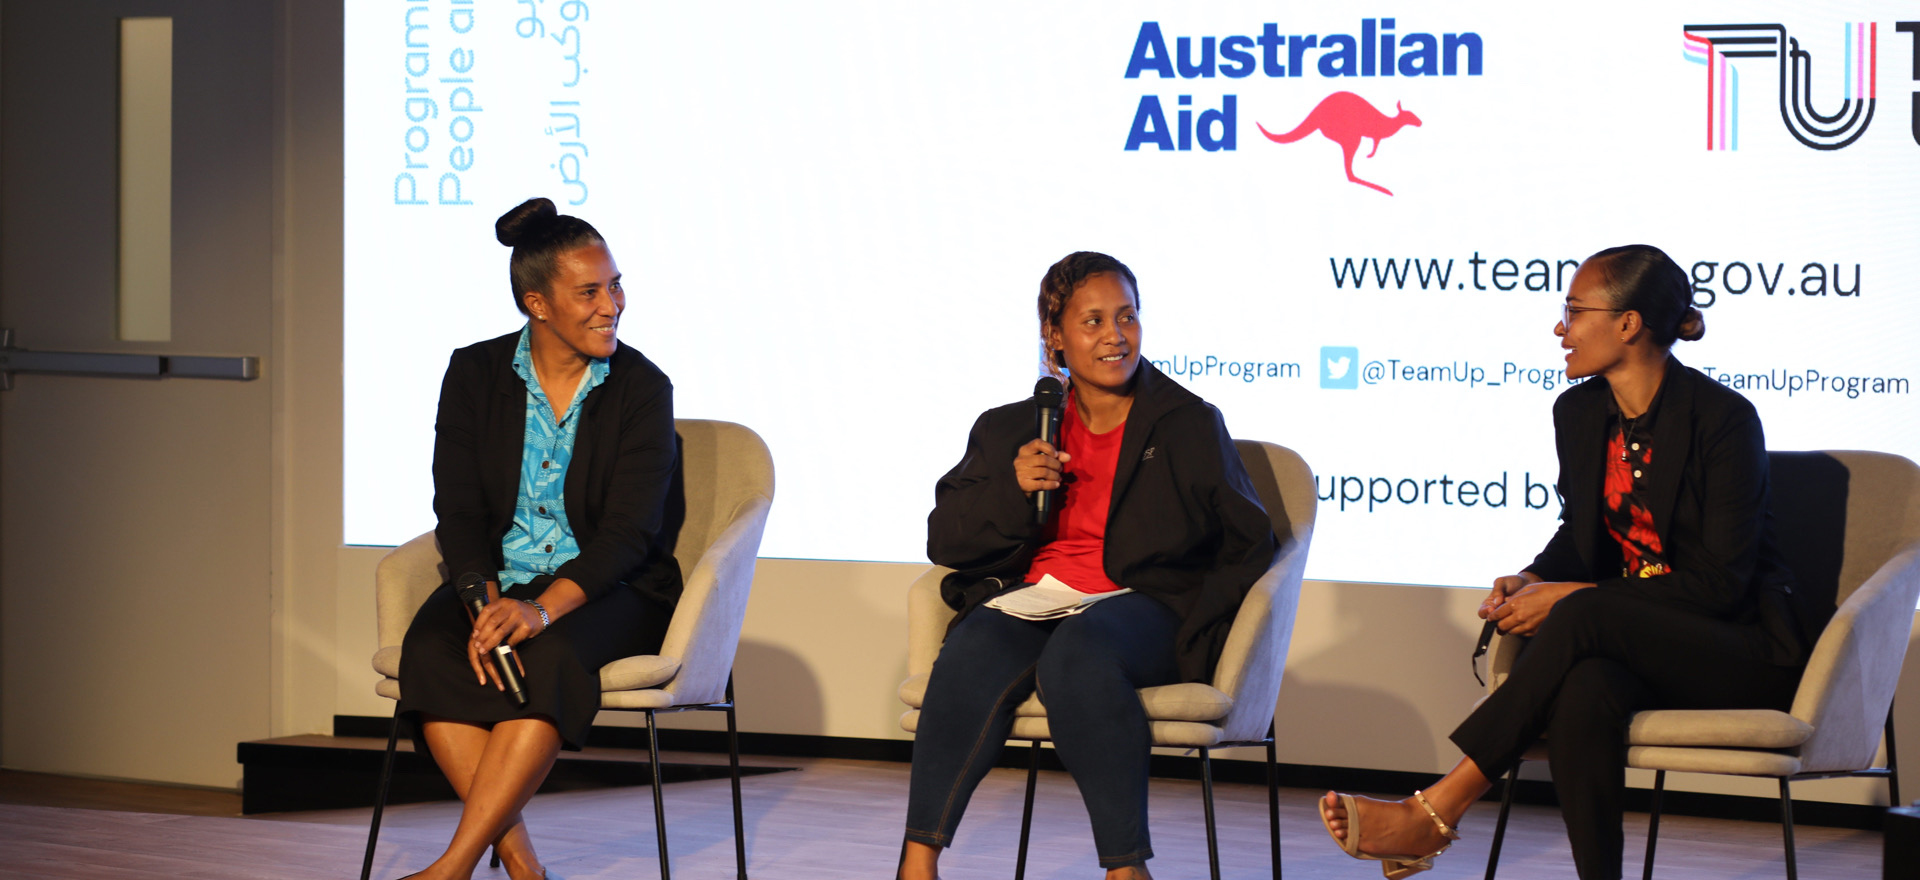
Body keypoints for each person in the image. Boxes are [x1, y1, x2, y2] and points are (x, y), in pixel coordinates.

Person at [1318, 244, 1815, 880]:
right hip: (1637, 639)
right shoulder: (1579, 412)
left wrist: (1569, 597)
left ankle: (1439, 807)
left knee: (1582, 613)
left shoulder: (1722, 420)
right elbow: (1582, 537)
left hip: (1739, 648)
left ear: (1629, 323)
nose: (1561, 327)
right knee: (1586, 690)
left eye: (1574, 311)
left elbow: (1721, 583)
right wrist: (1533, 578)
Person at [898, 252, 1279, 880]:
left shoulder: (1186, 424)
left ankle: (1125, 869)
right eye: (1094, 320)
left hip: (1143, 605)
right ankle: (917, 863)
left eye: (1127, 317)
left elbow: (1248, 541)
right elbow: (946, 539)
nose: (1115, 335)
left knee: (1078, 651)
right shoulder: (1010, 428)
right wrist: (1011, 492)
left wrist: (1199, 628)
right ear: (1055, 337)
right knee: (973, 644)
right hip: (1037, 595)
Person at [392, 197, 684, 880]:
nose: (612, 304)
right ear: (538, 304)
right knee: (433, 655)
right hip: (502, 577)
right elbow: (458, 509)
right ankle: (525, 868)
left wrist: (541, 608)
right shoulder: (475, 373)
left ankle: (454, 865)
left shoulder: (641, 388)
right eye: (590, 291)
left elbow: (629, 533)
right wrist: (481, 601)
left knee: (546, 659)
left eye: (615, 285)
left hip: (611, 587)